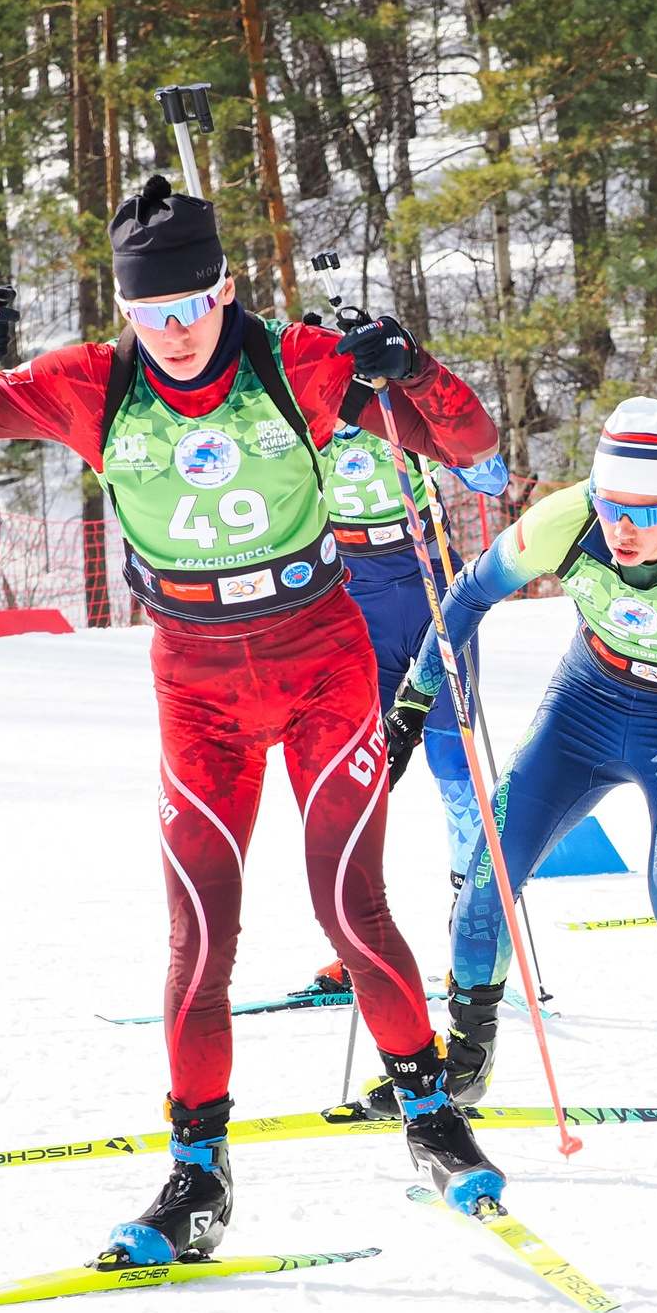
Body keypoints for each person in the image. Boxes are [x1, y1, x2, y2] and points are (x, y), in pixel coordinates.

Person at [0, 174, 509, 1258]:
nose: (174, 334)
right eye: (149, 313)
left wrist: (410, 365)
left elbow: (464, 440)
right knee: (199, 932)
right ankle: (196, 1176)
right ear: (123, 311)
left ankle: (430, 1118)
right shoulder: (92, 385)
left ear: (224, 288)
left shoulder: (298, 364)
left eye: (189, 306)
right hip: (196, 685)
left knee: (349, 909)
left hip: (321, 665)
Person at [381, 400, 657, 1179]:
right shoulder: (565, 521)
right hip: (583, 707)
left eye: (646, 510)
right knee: (488, 874)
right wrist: (409, 706)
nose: (622, 527)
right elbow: (465, 595)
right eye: (611, 505)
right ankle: (467, 1056)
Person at [284, 420, 508, 1002]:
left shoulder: (398, 408)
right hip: (354, 593)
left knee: (456, 773)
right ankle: (354, 946)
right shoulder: (303, 415)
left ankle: (472, 949)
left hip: (434, 587)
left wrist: (425, 419)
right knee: (359, 775)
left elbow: (493, 478)